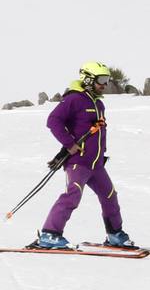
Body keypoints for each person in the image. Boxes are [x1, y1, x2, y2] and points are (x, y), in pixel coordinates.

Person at [33, 61, 135, 250]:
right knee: (73, 195)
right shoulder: (74, 99)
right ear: (88, 79)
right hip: (78, 162)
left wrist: (101, 154)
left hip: (96, 165)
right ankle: (49, 234)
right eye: (101, 80)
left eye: (107, 80)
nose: (105, 84)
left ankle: (115, 235)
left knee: (110, 196)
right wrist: (69, 144)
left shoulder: (99, 103)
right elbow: (53, 121)